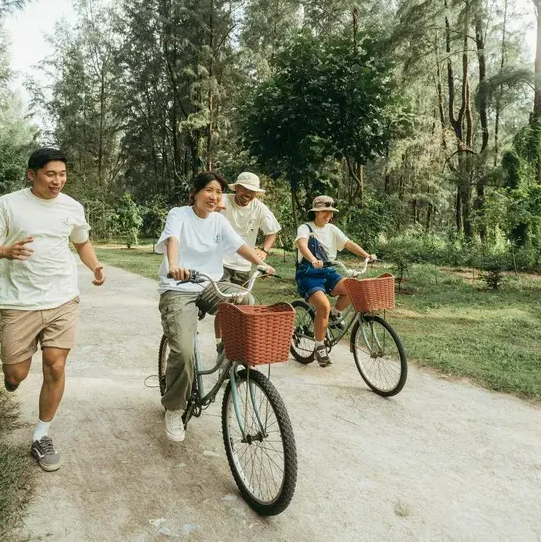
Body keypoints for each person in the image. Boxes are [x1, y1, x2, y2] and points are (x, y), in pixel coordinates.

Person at [0, 148, 106, 472]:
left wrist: (95, 265)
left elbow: (81, 242)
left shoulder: (72, 207)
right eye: (50, 174)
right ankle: (13, 379)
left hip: (62, 299)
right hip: (20, 302)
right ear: (32, 174)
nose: (58, 181)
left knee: (55, 366)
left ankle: (41, 434)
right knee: (15, 374)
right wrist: (5, 251)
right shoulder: (8, 204)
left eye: (62, 174)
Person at [156, 172, 274, 443]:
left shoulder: (219, 221)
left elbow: (239, 245)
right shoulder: (179, 214)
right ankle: (174, 408)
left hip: (209, 285)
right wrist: (173, 265)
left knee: (245, 299)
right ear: (195, 192)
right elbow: (173, 239)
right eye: (208, 190)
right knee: (184, 351)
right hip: (178, 287)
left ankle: (232, 355)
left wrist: (261, 262)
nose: (214, 196)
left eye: (219, 192)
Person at [294, 195, 376, 368]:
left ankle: (335, 313)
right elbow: (302, 245)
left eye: (330, 212)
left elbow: (348, 244)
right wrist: (312, 259)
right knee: (323, 305)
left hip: (328, 271)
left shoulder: (332, 229)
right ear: (316, 212)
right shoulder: (305, 228)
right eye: (325, 211)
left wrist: (367, 255)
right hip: (308, 274)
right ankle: (319, 347)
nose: (328, 215)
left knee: (352, 288)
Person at [213, 171, 281, 353]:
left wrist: (264, 250)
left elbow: (272, 231)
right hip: (220, 261)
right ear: (237, 188)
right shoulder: (223, 201)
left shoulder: (259, 208)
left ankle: (235, 343)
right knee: (225, 305)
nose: (248, 195)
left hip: (244, 264)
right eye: (245, 190)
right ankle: (220, 344)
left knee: (242, 306)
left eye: (252, 192)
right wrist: (214, 209)